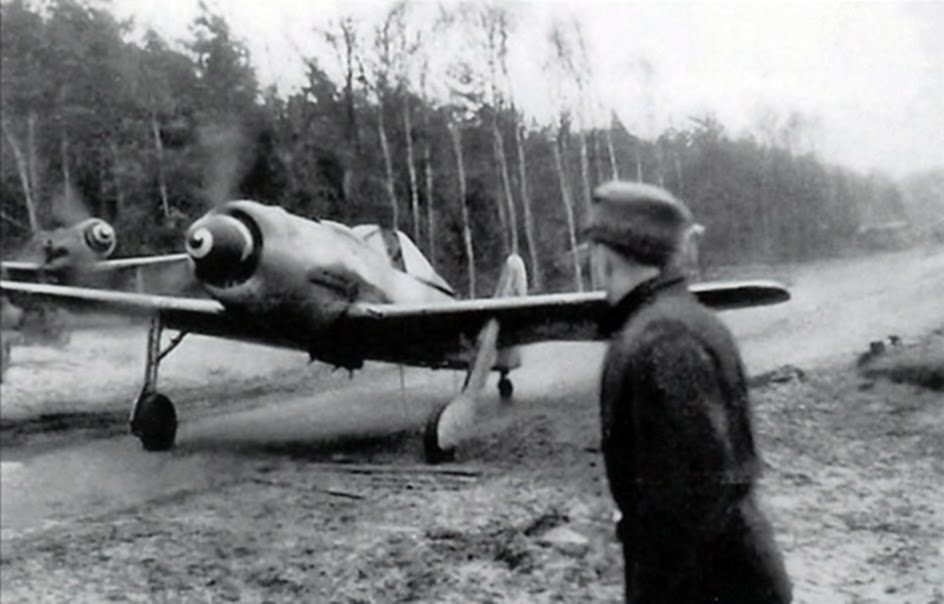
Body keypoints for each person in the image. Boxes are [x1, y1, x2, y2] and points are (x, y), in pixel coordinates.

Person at [587, 181, 791, 603]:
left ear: (606, 257)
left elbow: (693, 499)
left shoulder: (661, 338)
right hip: (731, 576)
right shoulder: (684, 320)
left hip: (711, 586)